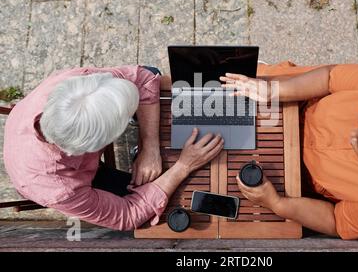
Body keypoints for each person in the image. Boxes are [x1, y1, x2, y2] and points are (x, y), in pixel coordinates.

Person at [220, 62, 358, 240]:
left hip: (287, 178)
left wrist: (276, 203)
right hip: (293, 101)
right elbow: (329, 77)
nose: (351, 135)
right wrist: (272, 90)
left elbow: (337, 222)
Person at [3, 66, 223, 230]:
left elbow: (143, 78)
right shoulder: (60, 189)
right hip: (76, 178)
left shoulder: (78, 84)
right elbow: (127, 215)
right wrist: (183, 166)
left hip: (66, 145)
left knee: (152, 72)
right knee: (164, 198)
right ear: (95, 146)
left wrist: (150, 146)